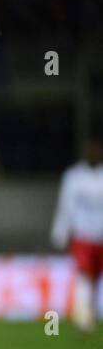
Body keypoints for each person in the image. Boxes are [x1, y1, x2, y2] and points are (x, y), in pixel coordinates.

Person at [50, 133, 103, 333]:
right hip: (82, 234)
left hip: (101, 235)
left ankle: (91, 311)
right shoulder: (74, 176)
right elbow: (66, 205)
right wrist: (60, 232)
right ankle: (82, 317)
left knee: (95, 276)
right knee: (83, 274)